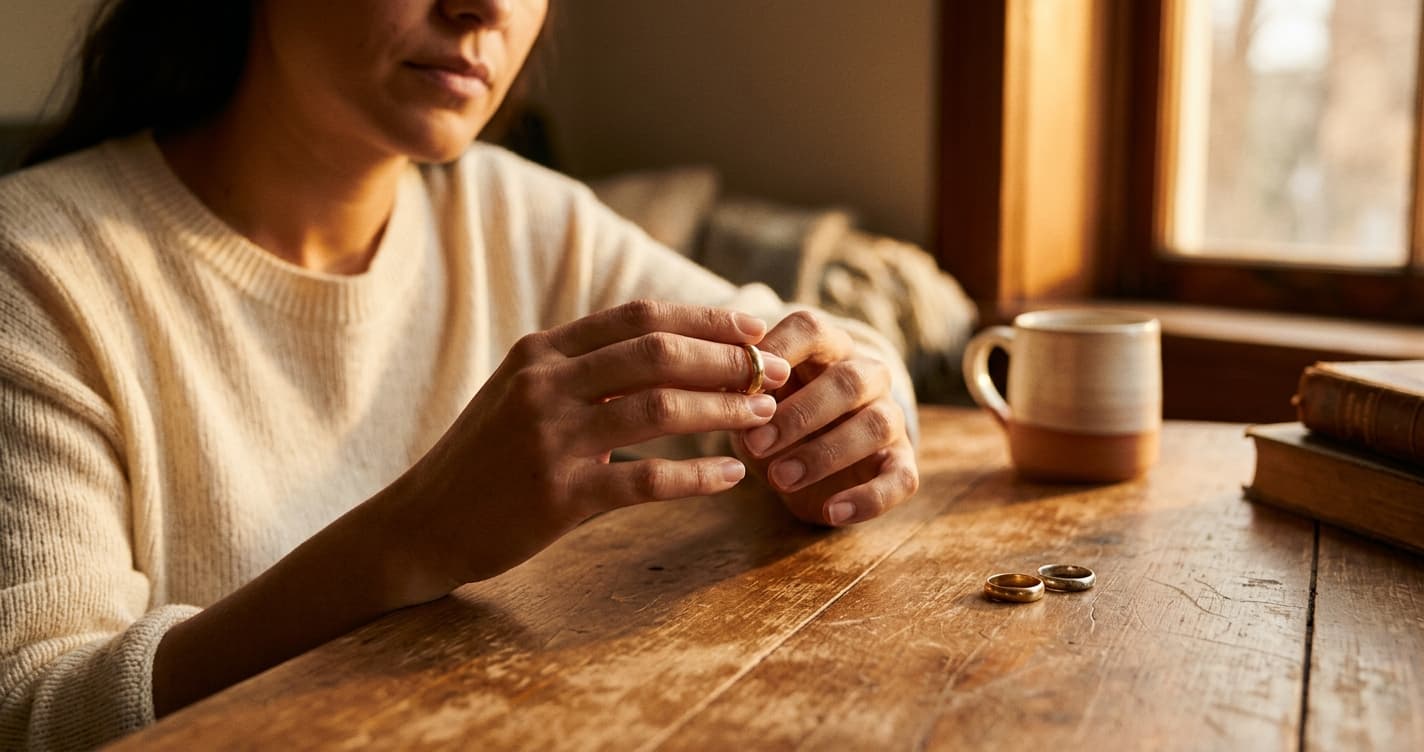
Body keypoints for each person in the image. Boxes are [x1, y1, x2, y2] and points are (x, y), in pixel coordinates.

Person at [0, 1, 920, 748]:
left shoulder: (518, 215)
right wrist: (416, 540)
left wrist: (839, 414)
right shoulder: (33, 270)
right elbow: (34, 714)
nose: (484, 8)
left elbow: (810, 342)